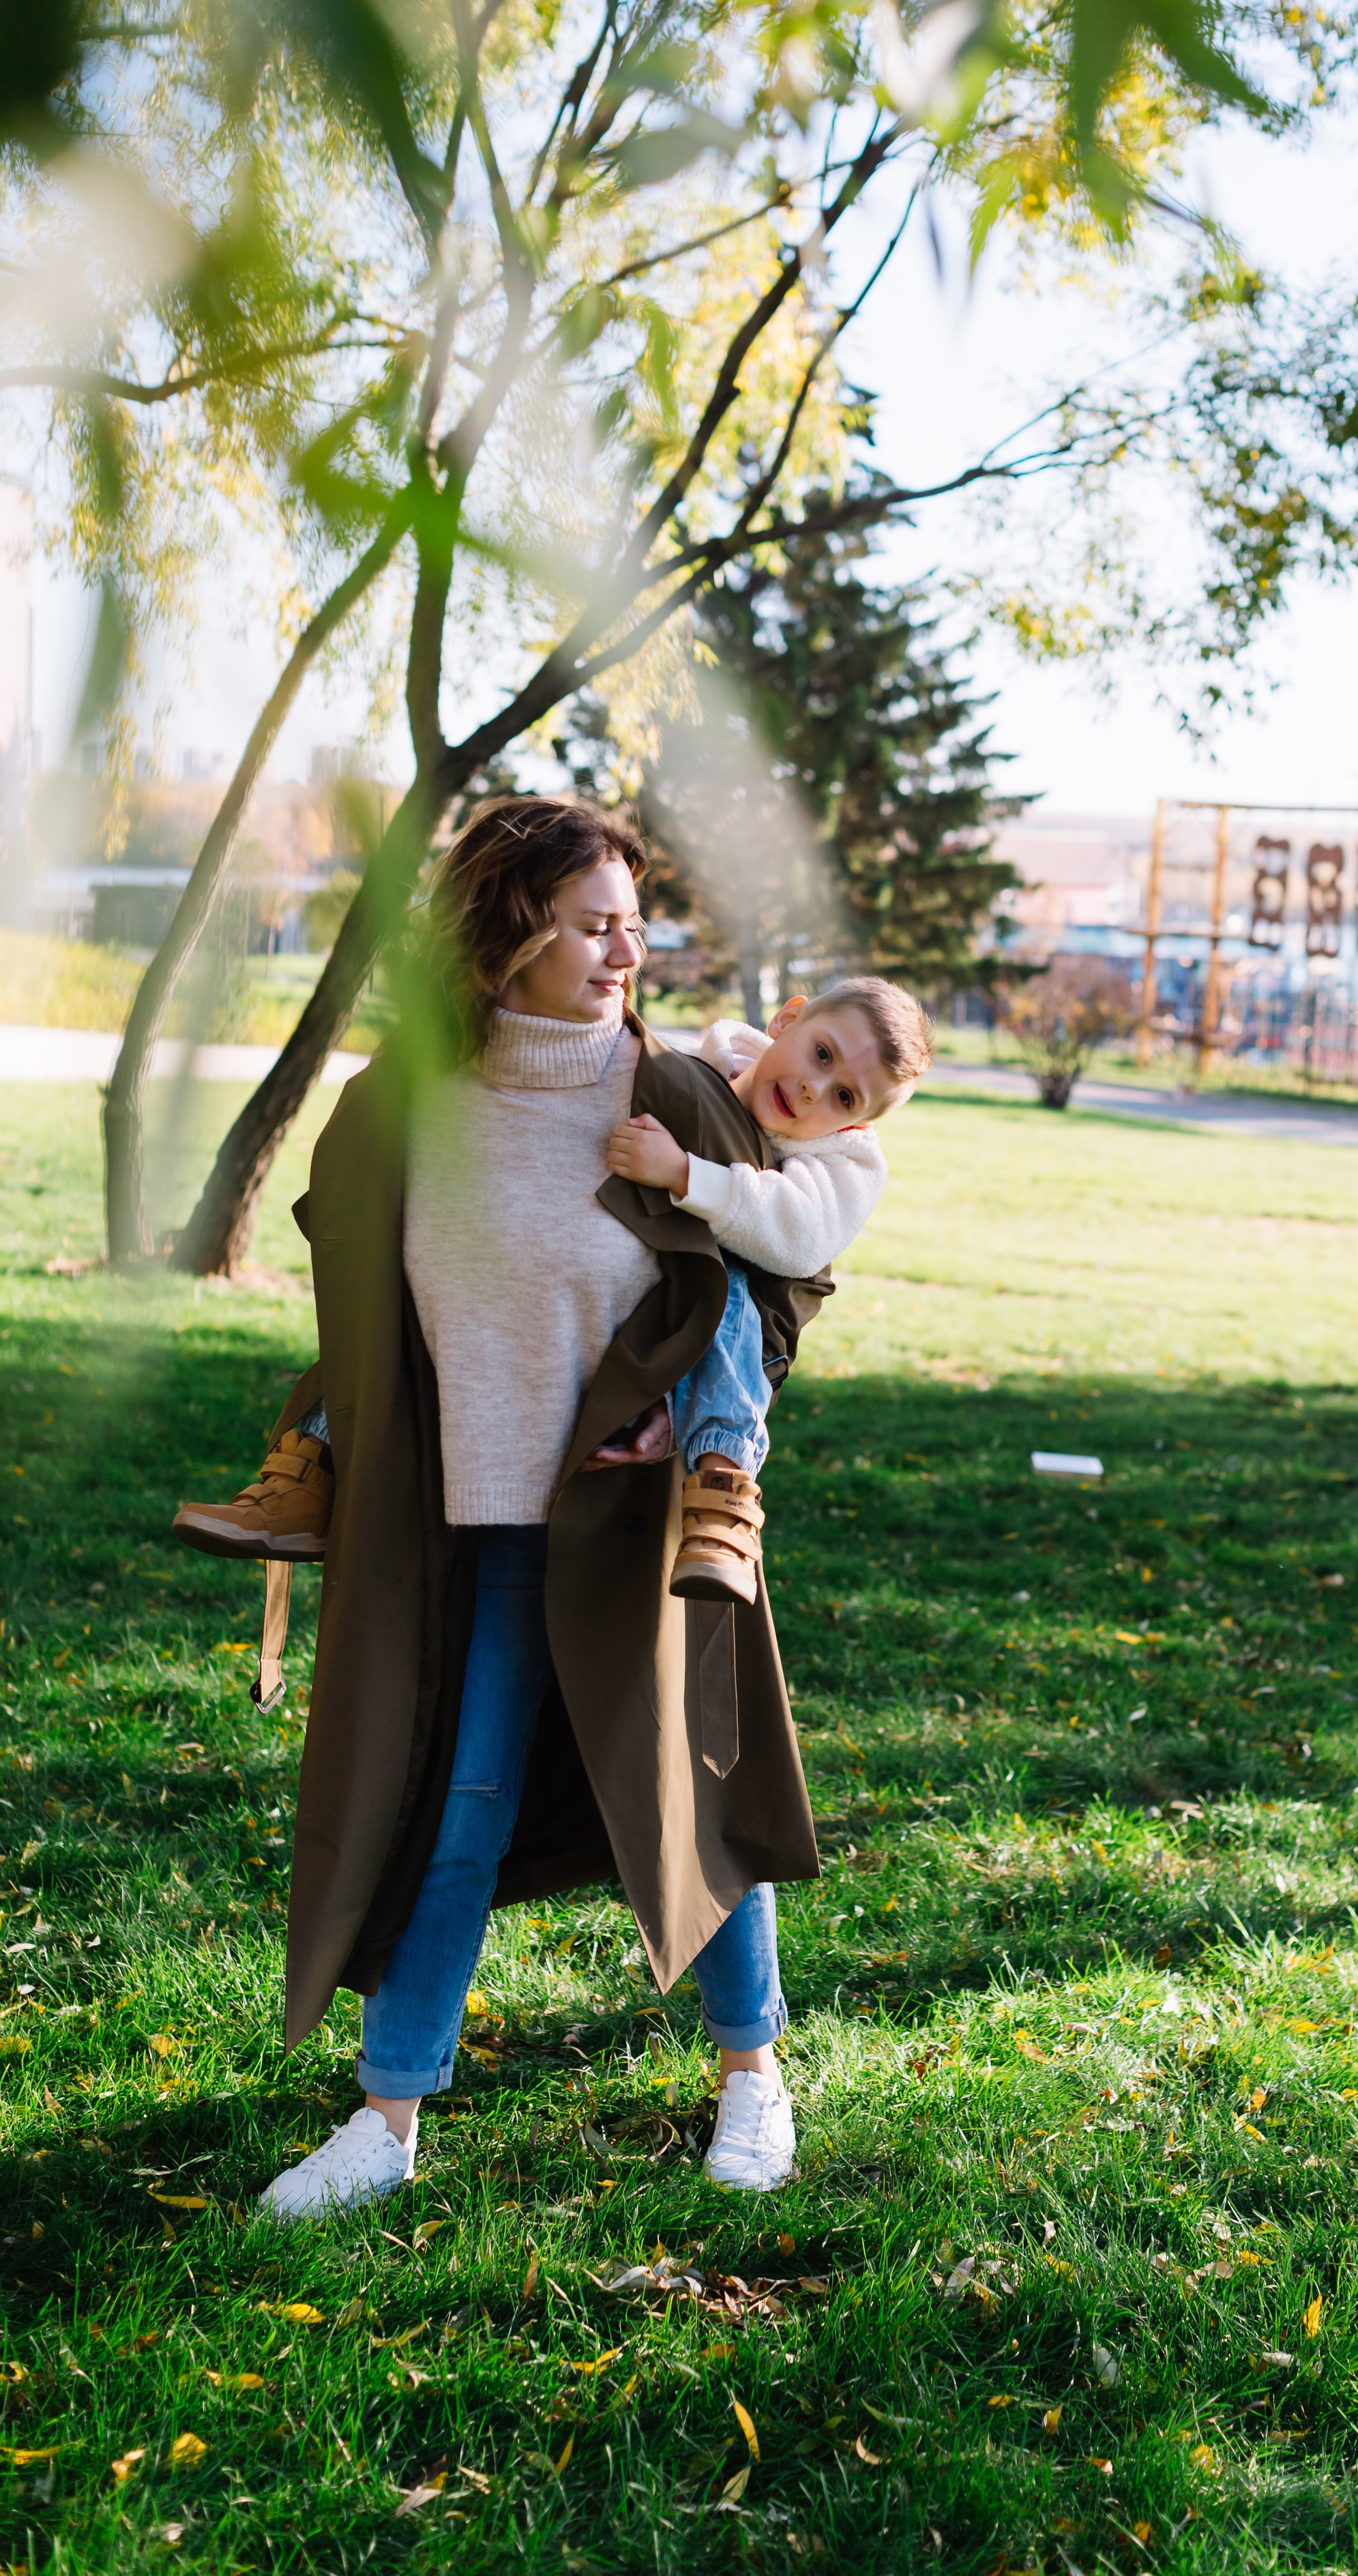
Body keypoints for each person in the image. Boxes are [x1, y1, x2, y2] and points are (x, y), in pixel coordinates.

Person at [178, 795, 835, 2218]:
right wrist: (332, 1443)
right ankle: (389, 2120)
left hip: (646, 1526)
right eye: (593, 923)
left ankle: (751, 2080)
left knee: (694, 1793)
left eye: (633, 923)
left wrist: (696, 1417)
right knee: (450, 1807)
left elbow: (778, 1282)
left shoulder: (675, 1099)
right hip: (468, 1526)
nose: (627, 950)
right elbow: (354, 1287)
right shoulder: (401, 1104)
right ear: (506, 931)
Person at [605, 983, 932, 1604]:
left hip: (731, 1323)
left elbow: (798, 1236)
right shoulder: (701, 1071)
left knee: (733, 1289)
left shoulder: (846, 1161)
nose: (814, 1088)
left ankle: (725, 1488)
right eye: (822, 1053)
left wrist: (682, 1172)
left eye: (843, 1096)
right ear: (788, 1019)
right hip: (638, 1308)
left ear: (857, 1122)